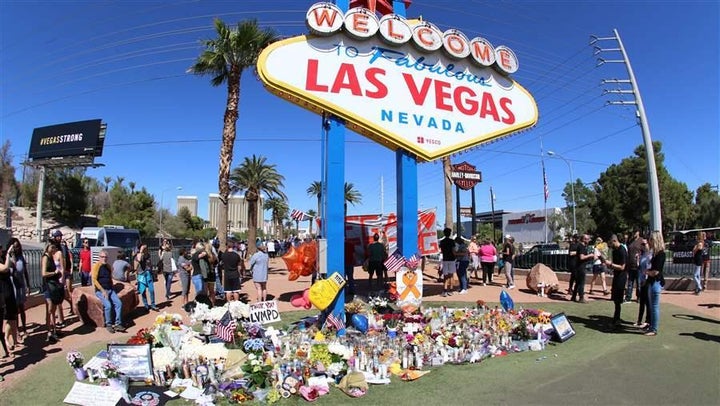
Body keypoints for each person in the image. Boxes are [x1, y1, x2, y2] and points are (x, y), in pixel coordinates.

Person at [91, 250, 126, 333]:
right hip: (100, 290)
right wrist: (102, 291)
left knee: (119, 303)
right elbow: (94, 280)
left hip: (110, 289)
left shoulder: (108, 266)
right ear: (99, 257)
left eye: (106, 257)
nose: (104, 259)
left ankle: (118, 323)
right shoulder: (96, 266)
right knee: (108, 306)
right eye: (102, 257)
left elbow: (110, 277)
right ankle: (109, 324)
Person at [7, 239, 30, 340]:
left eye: (18, 246)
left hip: (21, 284)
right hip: (13, 285)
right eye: (15, 247)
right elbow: (11, 268)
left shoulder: (21, 257)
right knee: (15, 310)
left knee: (22, 308)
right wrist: (11, 256)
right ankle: (16, 331)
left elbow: (25, 271)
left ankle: (24, 329)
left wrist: (28, 285)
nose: (17, 248)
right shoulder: (9, 258)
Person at [644, 231, 666, 336]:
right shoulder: (655, 253)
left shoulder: (661, 254)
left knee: (654, 306)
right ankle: (651, 326)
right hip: (652, 282)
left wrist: (646, 272)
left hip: (656, 282)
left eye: (651, 239)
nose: (649, 241)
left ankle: (654, 329)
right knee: (652, 306)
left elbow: (656, 271)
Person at [41, 243, 62, 343]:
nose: (54, 249)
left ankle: (54, 330)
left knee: (53, 307)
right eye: (52, 247)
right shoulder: (45, 258)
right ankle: (48, 331)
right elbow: (44, 273)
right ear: (48, 248)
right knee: (49, 308)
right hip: (48, 286)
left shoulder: (51, 257)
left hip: (53, 285)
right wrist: (54, 273)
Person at [605, 234, 628, 328]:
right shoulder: (614, 251)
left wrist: (611, 265)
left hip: (621, 277)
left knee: (618, 299)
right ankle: (616, 318)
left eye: (611, 243)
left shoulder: (622, 250)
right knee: (615, 299)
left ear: (614, 240)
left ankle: (616, 320)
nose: (610, 245)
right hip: (616, 276)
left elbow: (622, 267)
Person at [0, 243, 19, 354]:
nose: (1, 251)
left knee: (12, 315)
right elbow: (5, 268)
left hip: (9, 290)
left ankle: (13, 340)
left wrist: (11, 254)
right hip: (3, 292)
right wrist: (7, 253)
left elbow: (13, 265)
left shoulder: (3, 258)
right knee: (6, 317)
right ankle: (5, 342)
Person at [52, 230, 75, 317]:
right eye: (57, 236)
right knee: (61, 293)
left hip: (66, 271)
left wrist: (67, 270)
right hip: (58, 272)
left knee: (68, 290)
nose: (59, 238)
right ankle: (61, 311)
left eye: (59, 236)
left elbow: (66, 259)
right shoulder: (54, 246)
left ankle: (72, 306)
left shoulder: (63, 247)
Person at [134, 244, 158, 312]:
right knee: (143, 291)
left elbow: (150, 264)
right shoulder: (138, 255)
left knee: (151, 290)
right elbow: (138, 259)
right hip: (141, 275)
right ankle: (146, 305)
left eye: (146, 248)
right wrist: (141, 251)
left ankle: (153, 304)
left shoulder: (148, 255)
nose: (146, 249)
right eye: (144, 248)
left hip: (148, 274)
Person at [572, 234, 595, 303]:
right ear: (584, 239)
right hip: (580, 267)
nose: (588, 241)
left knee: (578, 282)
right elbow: (581, 257)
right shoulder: (581, 247)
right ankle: (581, 298)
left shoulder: (581, 246)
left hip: (579, 266)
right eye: (587, 239)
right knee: (581, 283)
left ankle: (573, 296)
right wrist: (590, 255)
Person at [635, 237, 652, 328]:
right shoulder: (642, 255)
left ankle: (648, 321)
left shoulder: (650, 255)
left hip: (648, 281)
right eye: (642, 244)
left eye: (644, 244)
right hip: (642, 280)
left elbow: (649, 268)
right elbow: (640, 268)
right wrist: (638, 260)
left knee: (648, 302)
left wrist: (645, 279)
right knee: (642, 301)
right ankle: (639, 320)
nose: (643, 246)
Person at [625, 229, 643, 303]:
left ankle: (639, 297)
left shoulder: (641, 241)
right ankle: (628, 297)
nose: (634, 233)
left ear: (638, 232)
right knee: (630, 282)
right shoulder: (630, 241)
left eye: (635, 232)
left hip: (638, 266)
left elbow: (645, 251)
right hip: (630, 265)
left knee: (638, 283)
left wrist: (639, 256)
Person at [438, 228, 456, 297]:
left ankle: (445, 290)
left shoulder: (442, 242)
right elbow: (453, 251)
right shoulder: (452, 241)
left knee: (445, 276)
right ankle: (451, 290)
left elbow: (441, 251)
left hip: (445, 259)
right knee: (451, 275)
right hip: (451, 259)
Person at [203, 241, 218, 305]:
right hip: (212, 273)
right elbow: (216, 262)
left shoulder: (204, 256)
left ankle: (206, 304)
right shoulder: (213, 255)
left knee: (205, 291)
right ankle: (213, 303)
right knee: (212, 291)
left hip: (206, 274)